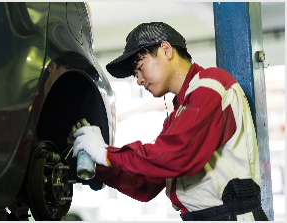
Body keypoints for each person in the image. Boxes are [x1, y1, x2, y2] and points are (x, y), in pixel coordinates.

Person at [70, 22, 268, 221]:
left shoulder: (211, 85)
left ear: (166, 50)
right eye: (135, 74)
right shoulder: (179, 113)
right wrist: (98, 164)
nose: (138, 80)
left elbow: (178, 154)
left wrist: (106, 154)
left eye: (140, 68)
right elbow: (146, 184)